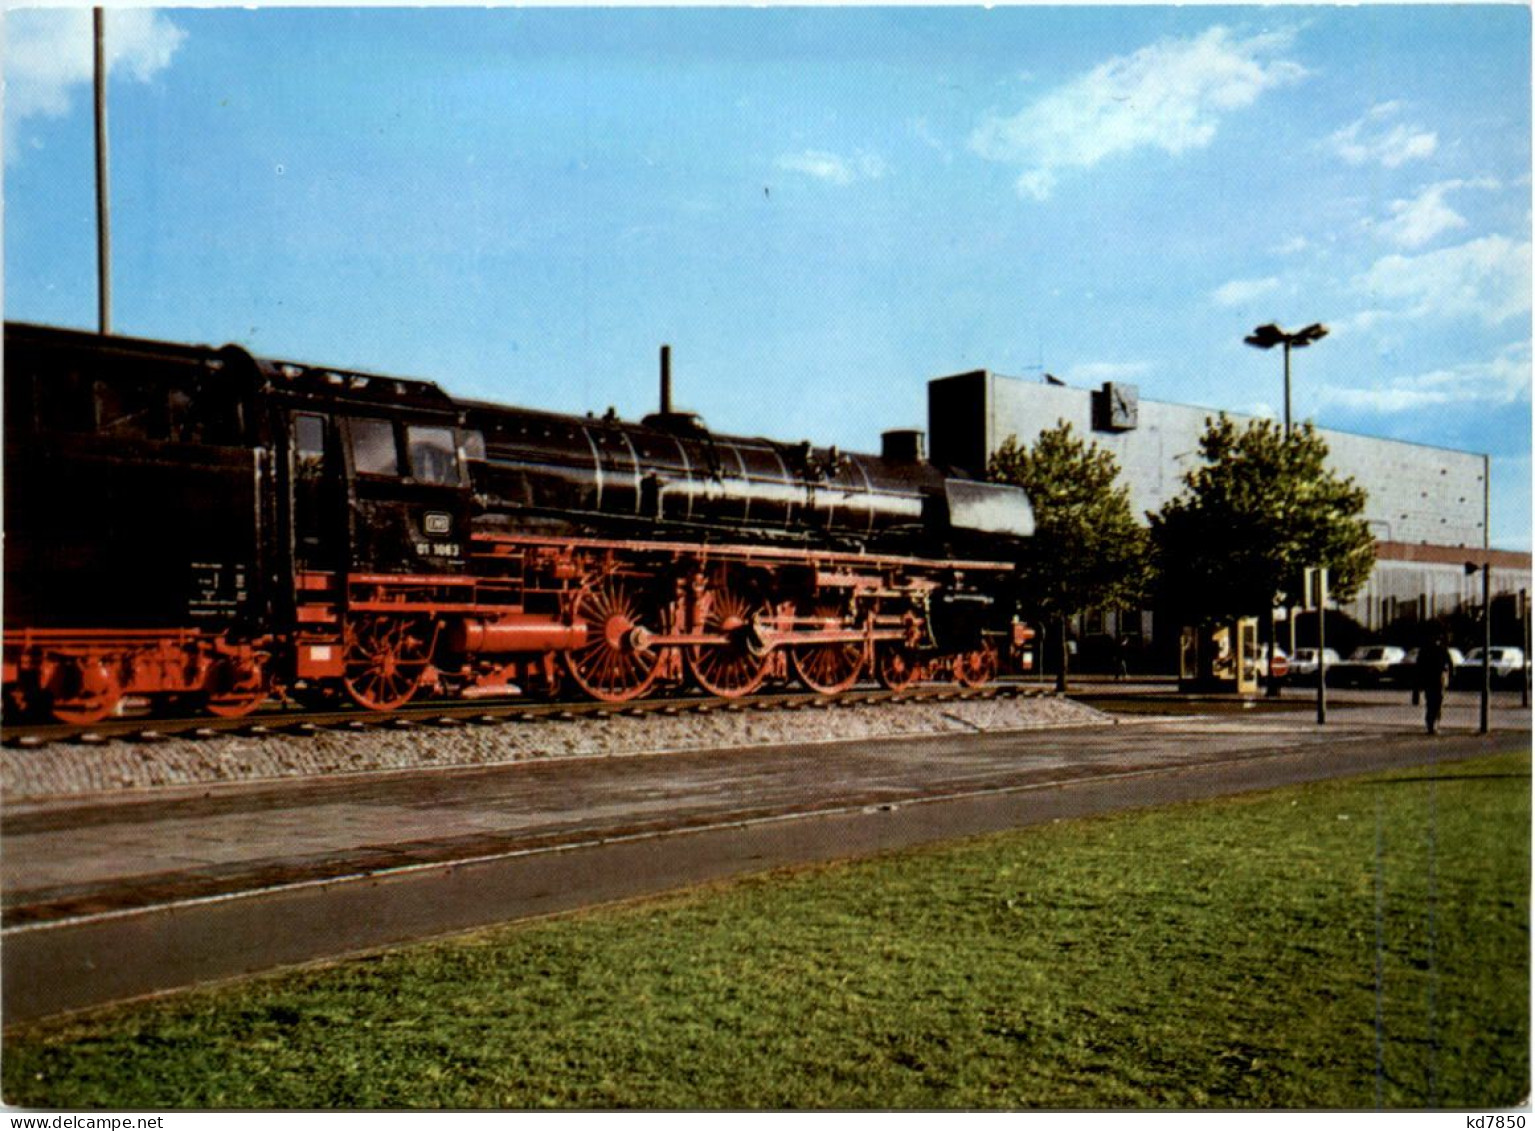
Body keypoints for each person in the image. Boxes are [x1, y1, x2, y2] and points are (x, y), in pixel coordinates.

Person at [1415, 633, 1454, 735]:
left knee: (1432, 702)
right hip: (1437, 679)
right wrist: (1451, 675)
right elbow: (1450, 663)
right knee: (1436, 702)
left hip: (1432, 679)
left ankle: (1431, 724)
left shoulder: (1426, 650)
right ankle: (1433, 724)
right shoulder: (1441, 649)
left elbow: (1419, 666)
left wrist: (1419, 681)